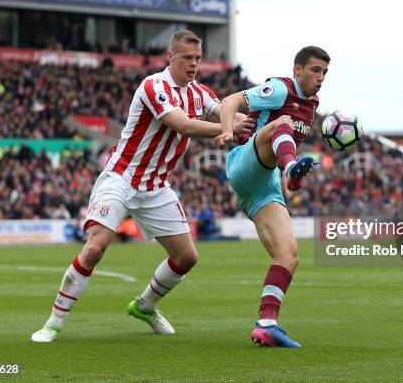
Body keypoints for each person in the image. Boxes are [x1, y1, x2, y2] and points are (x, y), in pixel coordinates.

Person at [31, 30, 252, 342]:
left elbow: (224, 110)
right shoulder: (154, 86)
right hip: (121, 177)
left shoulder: (199, 92)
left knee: (187, 258)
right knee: (95, 247)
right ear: (170, 56)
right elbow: (183, 125)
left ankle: (145, 306)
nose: (193, 64)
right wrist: (227, 128)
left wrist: (249, 116)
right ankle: (53, 323)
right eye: (187, 58)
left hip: (155, 186)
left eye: (198, 59)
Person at [215, 46, 330, 347]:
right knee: (283, 124)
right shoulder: (280, 88)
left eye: (325, 72)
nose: (320, 78)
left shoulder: (313, 103)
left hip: (265, 184)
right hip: (245, 161)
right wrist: (227, 130)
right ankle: (291, 168)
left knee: (288, 255)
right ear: (297, 69)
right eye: (315, 70)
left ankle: (267, 324)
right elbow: (230, 101)